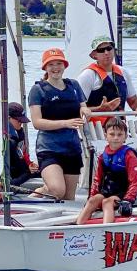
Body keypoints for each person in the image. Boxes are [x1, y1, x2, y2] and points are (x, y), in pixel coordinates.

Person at [28, 48, 90, 200]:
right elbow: (37, 122)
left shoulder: (73, 85)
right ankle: (38, 193)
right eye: (51, 65)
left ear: (64, 66)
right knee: (57, 190)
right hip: (49, 148)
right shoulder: (38, 90)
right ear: (45, 68)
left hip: (72, 147)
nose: (56, 68)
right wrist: (65, 123)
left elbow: (83, 106)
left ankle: (63, 223)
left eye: (59, 63)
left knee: (68, 197)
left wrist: (85, 111)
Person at [76, 117, 137, 224]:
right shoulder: (103, 156)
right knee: (93, 200)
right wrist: (92, 195)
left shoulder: (129, 155)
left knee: (107, 202)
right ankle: (77, 226)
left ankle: (106, 230)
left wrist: (128, 200)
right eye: (112, 134)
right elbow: (97, 179)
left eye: (119, 135)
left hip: (122, 193)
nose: (116, 138)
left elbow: (135, 180)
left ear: (125, 136)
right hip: (106, 191)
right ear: (106, 136)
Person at [76, 36, 137, 122]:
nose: (106, 53)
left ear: (114, 51)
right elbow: (76, 108)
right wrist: (100, 109)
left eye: (109, 48)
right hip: (94, 130)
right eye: (101, 50)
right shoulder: (87, 75)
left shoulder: (123, 72)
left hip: (119, 129)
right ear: (94, 55)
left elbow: (134, 101)